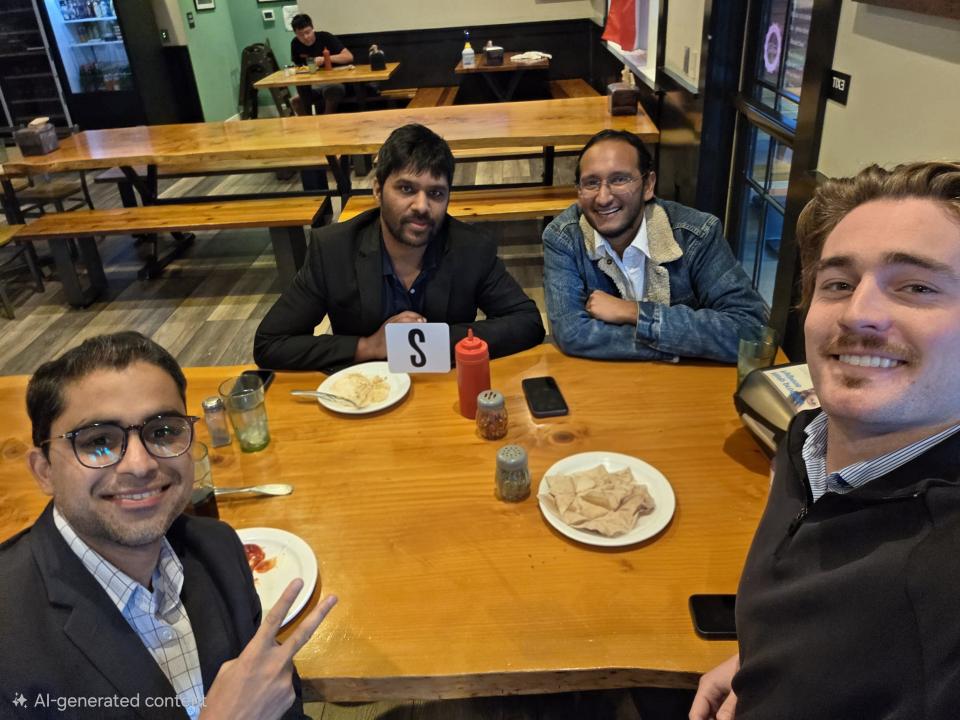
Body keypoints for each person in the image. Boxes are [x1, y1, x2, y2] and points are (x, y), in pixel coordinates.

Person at [690, 161, 960, 720]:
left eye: (916, 287)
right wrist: (763, 661)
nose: (859, 312)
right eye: (838, 284)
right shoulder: (805, 443)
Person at [0, 332, 337, 719]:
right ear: (44, 471)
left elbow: (277, 701)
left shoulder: (219, 549)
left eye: (162, 432)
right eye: (98, 442)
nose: (140, 465)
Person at [254, 123, 545, 372]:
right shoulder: (333, 248)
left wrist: (429, 340)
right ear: (378, 189)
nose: (422, 206)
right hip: (366, 395)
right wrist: (369, 346)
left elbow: (527, 322)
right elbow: (271, 342)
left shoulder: (471, 248)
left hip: (445, 393)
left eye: (436, 193)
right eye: (406, 189)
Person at [542, 129, 766, 362]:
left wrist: (635, 312)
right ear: (578, 191)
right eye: (591, 183)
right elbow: (573, 334)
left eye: (619, 179)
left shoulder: (696, 234)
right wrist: (687, 344)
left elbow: (750, 332)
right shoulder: (563, 238)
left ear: (648, 185)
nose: (603, 197)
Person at [289, 13, 353, 115]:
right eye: (300, 35)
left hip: (334, 82)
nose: (305, 37)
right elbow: (298, 67)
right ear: (296, 34)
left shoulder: (325, 37)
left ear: (313, 28)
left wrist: (325, 59)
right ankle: (308, 126)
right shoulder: (295, 44)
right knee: (296, 101)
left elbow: (349, 56)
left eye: (308, 32)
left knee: (333, 90)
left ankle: (325, 121)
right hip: (314, 85)